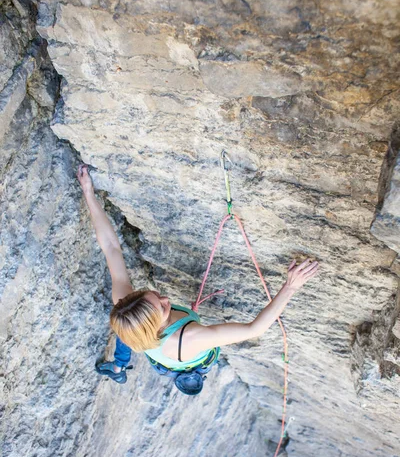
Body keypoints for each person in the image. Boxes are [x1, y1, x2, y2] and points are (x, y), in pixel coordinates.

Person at [77, 165, 319, 395]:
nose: (166, 298)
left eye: (154, 295)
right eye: (162, 307)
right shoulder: (193, 338)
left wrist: (88, 192)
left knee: (128, 324)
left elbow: (111, 248)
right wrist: (290, 286)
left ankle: (123, 368)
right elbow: (254, 329)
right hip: (187, 355)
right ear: (156, 325)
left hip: (156, 352)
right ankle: (177, 374)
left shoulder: (127, 307)